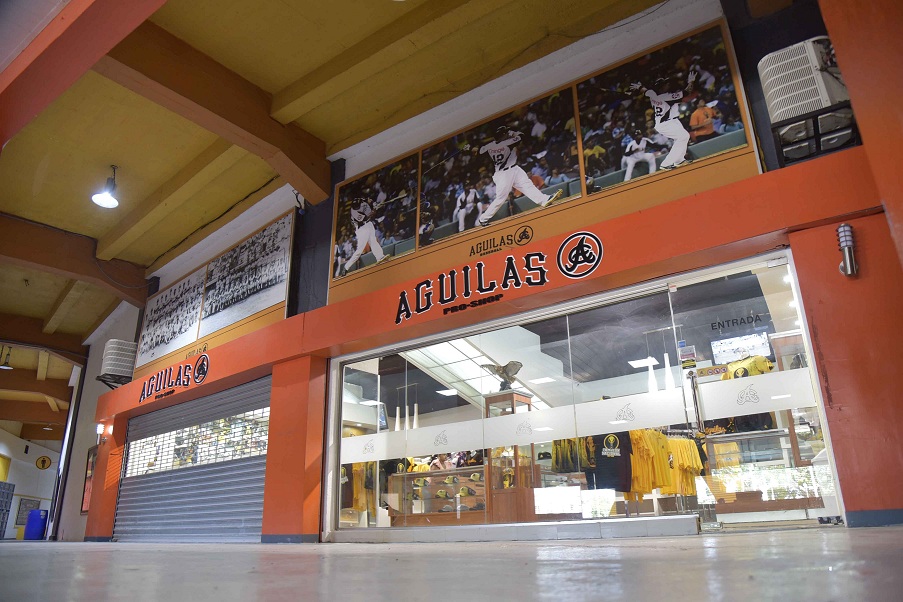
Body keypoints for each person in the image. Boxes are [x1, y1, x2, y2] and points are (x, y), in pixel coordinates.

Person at [477, 126, 564, 227]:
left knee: (527, 185)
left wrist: (468, 148)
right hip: (504, 174)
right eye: (505, 133)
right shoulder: (506, 143)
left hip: (513, 169)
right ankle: (483, 218)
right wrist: (512, 133)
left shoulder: (490, 145)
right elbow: (521, 136)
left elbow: (479, 151)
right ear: (501, 136)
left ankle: (544, 200)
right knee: (501, 198)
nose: (507, 134)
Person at [630, 70, 697, 170]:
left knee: (684, 136)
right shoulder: (666, 97)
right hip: (666, 123)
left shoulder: (653, 94)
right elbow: (686, 92)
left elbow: (645, 90)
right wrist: (691, 81)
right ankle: (666, 163)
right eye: (665, 84)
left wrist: (639, 87)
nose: (667, 85)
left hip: (671, 121)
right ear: (661, 88)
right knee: (683, 136)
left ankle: (679, 160)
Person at [340, 196, 388, 277]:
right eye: (356, 206)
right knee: (359, 251)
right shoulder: (354, 213)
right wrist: (375, 208)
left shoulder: (360, 200)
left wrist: (374, 203)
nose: (358, 206)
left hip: (368, 224)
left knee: (373, 241)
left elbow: (369, 200)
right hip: (362, 229)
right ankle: (346, 267)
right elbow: (369, 216)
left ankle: (380, 257)